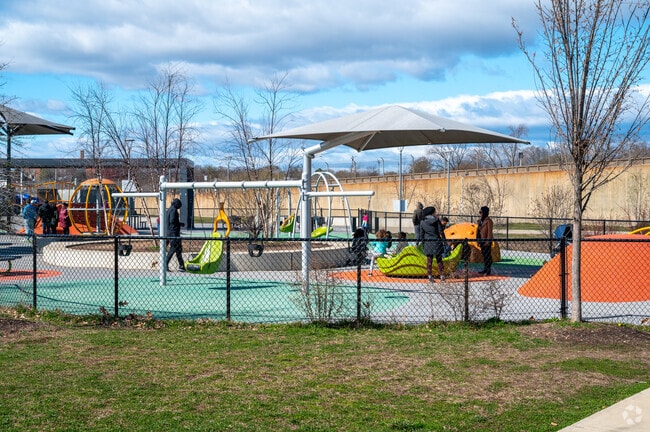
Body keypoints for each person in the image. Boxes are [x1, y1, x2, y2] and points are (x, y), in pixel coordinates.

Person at [419, 206, 447, 282]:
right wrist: (444, 241)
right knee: (439, 260)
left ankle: (430, 277)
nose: (435, 213)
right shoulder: (437, 220)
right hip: (437, 241)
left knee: (429, 260)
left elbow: (421, 234)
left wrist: (422, 242)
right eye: (434, 212)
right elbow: (441, 231)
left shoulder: (422, 221)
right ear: (432, 212)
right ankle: (442, 276)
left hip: (428, 242)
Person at [166, 198, 186, 272]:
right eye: (179, 205)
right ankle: (165, 264)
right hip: (173, 233)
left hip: (171, 232)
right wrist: (180, 224)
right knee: (173, 248)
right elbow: (172, 221)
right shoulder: (174, 210)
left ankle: (181, 265)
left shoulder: (169, 210)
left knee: (178, 249)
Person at [477, 205, 494, 275]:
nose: (480, 213)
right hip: (481, 240)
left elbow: (490, 232)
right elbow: (478, 230)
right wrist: (477, 240)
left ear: (485, 212)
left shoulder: (489, 221)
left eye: (481, 212)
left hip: (486, 240)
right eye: (480, 212)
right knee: (484, 255)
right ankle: (485, 268)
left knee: (487, 255)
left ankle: (488, 269)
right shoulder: (480, 221)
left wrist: (488, 241)